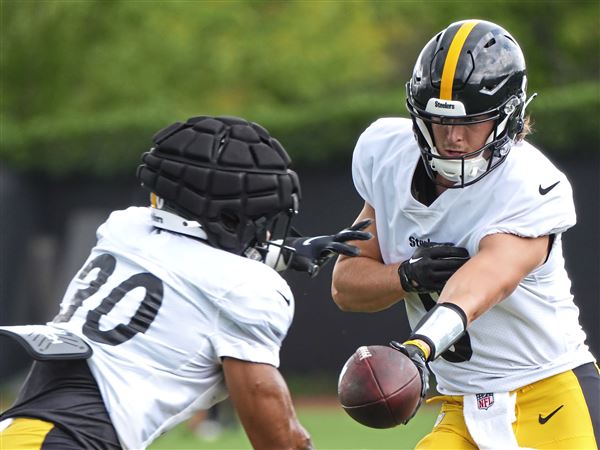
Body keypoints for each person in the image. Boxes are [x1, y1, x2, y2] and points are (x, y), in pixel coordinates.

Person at [0, 115, 371, 450]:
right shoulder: (249, 288)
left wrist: (285, 253)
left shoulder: (125, 227)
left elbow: (187, 257)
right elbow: (278, 440)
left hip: (21, 433)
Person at [331, 19, 599, 449]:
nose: (453, 138)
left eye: (472, 122)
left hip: (549, 394)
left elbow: (485, 282)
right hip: (461, 405)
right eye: (438, 122)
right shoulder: (386, 156)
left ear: (509, 116)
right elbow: (346, 285)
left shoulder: (529, 183)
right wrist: (406, 275)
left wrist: (419, 348)